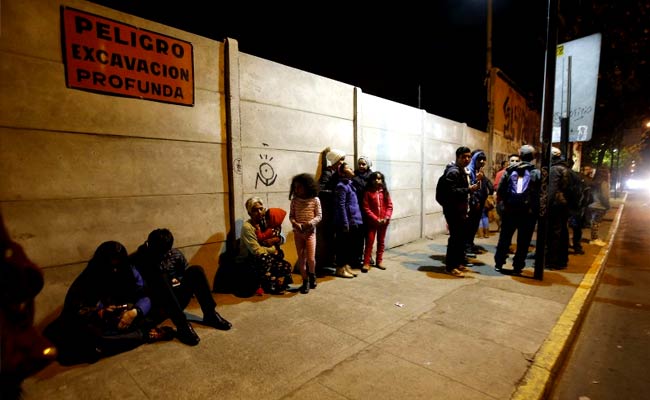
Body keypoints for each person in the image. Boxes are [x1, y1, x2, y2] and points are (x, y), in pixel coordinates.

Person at [45, 241, 174, 365]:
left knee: (154, 310)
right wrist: (100, 313)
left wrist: (134, 312)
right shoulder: (86, 280)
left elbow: (145, 295)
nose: (115, 271)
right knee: (86, 337)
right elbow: (75, 309)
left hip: (126, 313)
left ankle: (136, 334)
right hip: (98, 322)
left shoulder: (130, 272)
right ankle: (141, 335)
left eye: (118, 266)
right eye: (111, 267)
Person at [132, 229, 232, 347]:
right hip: (159, 303)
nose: (165, 254)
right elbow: (140, 289)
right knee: (160, 277)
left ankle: (210, 314)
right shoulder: (140, 259)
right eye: (161, 252)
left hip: (178, 297)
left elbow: (186, 272)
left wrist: (178, 280)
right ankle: (182, 325)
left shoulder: (174, 254)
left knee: (196, 270)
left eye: (167, 251)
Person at [494, 145, 541, 274]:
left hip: (510, 210)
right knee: (524, 241)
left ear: (520, 156)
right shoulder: (536, 173)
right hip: (527, 212)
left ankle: (499, 263)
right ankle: (518, 266)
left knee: (505, 238)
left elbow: (500, 190)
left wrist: (505, 205)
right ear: (532, 157)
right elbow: (539, 194)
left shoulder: (509, 170)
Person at [238, 197, 293, 294]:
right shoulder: (247, 227)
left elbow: (282, 238)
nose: (259, 212)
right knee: (263, 259)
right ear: (249, 213)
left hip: (267, 257)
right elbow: (256, 251)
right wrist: (273, 249)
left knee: (286, 266)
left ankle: (270, 281)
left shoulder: (267, 221)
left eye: (261, 208)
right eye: (255, 210)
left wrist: (276, 239)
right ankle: (268, 284)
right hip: (251, 260)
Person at [440, 146, 478, 277]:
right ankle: (450, 267)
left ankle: (456, 263)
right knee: (455, 239)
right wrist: (469, 190)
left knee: (460, 238)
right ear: (458, 157)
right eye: (464, 157)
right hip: (453, 210)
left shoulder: (462, 171)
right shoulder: (454, 172)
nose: (467, 159)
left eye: (469, 157)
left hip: (460, 210)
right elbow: (451, 192)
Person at [289, 173, 323, 294]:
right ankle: (305, 281)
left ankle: (312, 275)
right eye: (295, 187)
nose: (297, 190)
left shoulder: (315, 200)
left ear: (307, 187)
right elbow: (291, 216)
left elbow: (319, 216)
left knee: (311, 258)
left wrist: (309, 224)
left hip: (310, 233)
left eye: (300, 187)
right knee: (301, 258)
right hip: (298, 233)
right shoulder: (294, 201)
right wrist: (295, 223)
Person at [316, 147, 346, 275]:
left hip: (332, 209)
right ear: (334, 162)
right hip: (327, 211)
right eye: (340, 161)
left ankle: (330, 261)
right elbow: (321, 190)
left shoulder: (335, 173)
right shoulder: (328, 173)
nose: (342, 163)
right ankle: (323, 264)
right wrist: (335, 192)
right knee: (327, 238)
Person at [334, 162, 364, 278]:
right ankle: (340, 269)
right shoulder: (341, 186)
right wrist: (345, 223)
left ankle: (346, 266)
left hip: (353, 220)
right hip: (344, 222)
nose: (352, 169)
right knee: (342, 246)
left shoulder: (350, 184)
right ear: (341, 172)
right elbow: (341, 205)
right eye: (348, 168)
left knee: (348, 246)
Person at [546, 147, 574, 270]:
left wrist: (545, 206)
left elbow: (551, 191)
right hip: (565, 205)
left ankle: (552, 261)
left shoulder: (554, 170)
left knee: (553, 234)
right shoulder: (567, 169)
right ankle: (562, 260)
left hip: (555, 205)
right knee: (563, 232)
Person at [362, 171, 393, 272]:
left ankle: (379, 261)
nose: (377, 180)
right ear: (371, 180)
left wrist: (386, 217)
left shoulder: (384, 192)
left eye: (379, 178)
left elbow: (389, 206)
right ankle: (366, 262)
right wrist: (376, 219)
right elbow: (366, 208)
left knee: (381, 242)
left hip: (383, 223)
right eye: (375, 178)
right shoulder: (368, 192)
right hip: (372, 223)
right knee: (369, 242)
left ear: (382, 180)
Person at [465, 149, 490, 257]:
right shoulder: (469, 171)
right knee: (469, 226)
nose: (482, 161)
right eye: (479, 159)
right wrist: (475, 201)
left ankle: (470, 243)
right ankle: (466, 247)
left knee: (474, 226)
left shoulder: (478, 171)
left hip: (479, 205)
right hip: (472, 205)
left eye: (484, 159)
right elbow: (470, 188)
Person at [353, 155, 373, 266]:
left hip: (369, 210)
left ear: (368, 165)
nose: (361, 166)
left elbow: (367, 189)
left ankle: (368, 256)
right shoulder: (354, 175)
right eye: (359, 163)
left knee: (368, 235)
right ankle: (358, 257)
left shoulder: (372, 177)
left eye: (363, 164)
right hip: (357, 210)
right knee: (358, 236)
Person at [588, 166, 611, 246]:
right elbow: (605, 196)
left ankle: (593, 238)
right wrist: (608, 205)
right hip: (600, 206)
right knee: (596, 223)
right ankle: (594, 239)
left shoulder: (594, 182)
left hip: (592, 205)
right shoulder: (604, 183)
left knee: (593, 222)